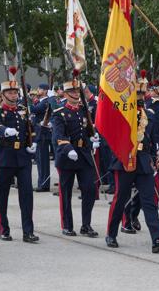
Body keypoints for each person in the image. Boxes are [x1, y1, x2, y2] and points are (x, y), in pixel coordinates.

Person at [105, 71, 159, 253]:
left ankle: (157, 238)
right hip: (125, 159)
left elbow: (152, 138)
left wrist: (154, 157)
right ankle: (111, 233)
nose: (141, 97)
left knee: (149, 200)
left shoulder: (149, 114)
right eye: (137, 94)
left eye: (142, 94)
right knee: (120, 199)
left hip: (143, 161)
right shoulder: (121, 113)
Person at [0, 67, 39, 243]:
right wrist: (4, 130)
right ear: (3, 95)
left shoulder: (23, 110)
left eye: (15, 92)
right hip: (5, 157)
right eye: (9, 92)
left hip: (23, 158)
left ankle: (28, 231)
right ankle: (4, 229)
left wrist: (33, 143)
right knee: (2, 194)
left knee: (27, 195)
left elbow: (31, 130)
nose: (13, 95)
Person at [51, 79, 98, 238]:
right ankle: (67, 225)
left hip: (83, 155)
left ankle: (86, 225)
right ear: (65, 94)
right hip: (67, 155)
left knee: (90, 190)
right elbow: (59, 135)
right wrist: (68, 148)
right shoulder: (59, 113)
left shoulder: (84, 111)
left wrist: (93, 137)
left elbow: (88, 130)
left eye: (77, 91)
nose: (76, 94)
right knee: (66, 192)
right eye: (72, 92)